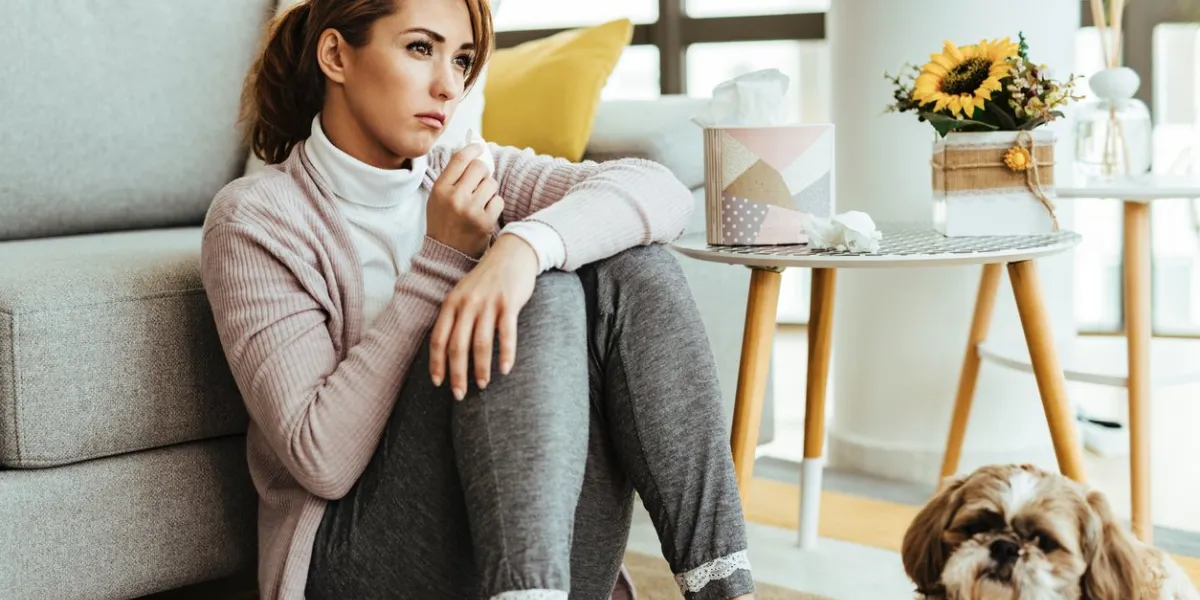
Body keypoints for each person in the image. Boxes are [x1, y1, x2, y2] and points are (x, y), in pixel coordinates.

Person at [199, 0, 756, 598]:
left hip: (514, 541)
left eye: (462, 59)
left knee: (634, 265)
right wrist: (446, 260)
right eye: (420, 48)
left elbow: (661, 193)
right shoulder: (256, 219)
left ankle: (724, 590)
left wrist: (519, 247)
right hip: (353, 562)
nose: (448, 85)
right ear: (336, 54)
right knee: (541, 296)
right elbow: (321, 459)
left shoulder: (466, 171)